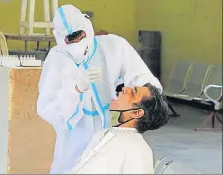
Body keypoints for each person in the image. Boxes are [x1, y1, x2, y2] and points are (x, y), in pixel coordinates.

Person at [37, 4, 163, 174]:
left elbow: (143, 78)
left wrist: (151, 103)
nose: (124, 89)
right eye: (70, 39)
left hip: (111, 133)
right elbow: (51, 109)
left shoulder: (113, 46)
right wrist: (76, 91)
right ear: (60, 37)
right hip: (74, 140)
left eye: (79, 35)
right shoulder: (56, 60)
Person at [70, 83, 169, 174]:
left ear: (136, 113)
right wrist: (78, 90)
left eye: (133, 92)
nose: (125, 88)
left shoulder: (139, 151)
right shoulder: (101, 134)